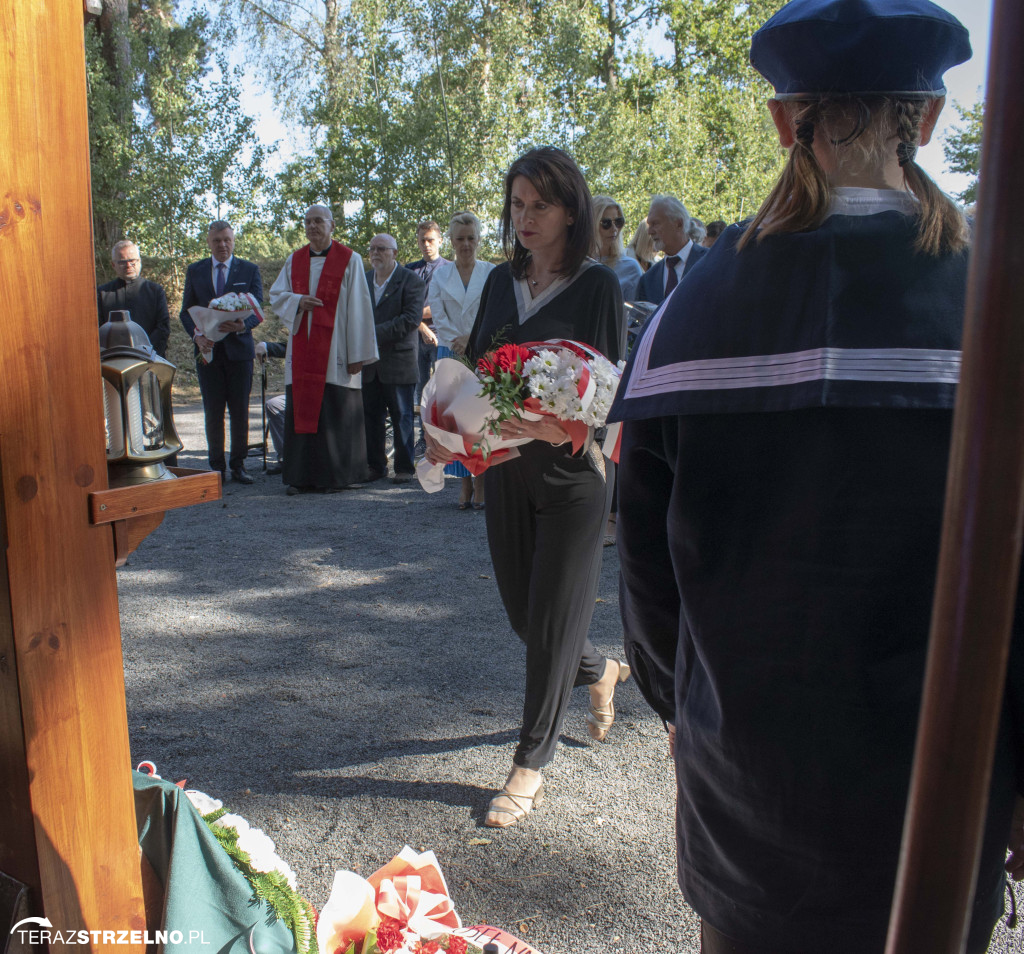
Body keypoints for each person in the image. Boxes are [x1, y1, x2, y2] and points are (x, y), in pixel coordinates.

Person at [610, 2, 1023, 953]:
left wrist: (686, 712)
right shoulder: (993, 309)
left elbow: (645, 567)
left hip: (748, 791)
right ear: (924, 119)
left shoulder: (692, 310)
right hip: (939, 790)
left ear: (781, 119)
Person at [424, 146, 628, 829]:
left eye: (540, 205)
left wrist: (542, 421)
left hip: (573, 484)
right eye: (516, 205)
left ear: (571, 209)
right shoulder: (497, 283)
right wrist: (448, 419)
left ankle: (529, 765)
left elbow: (599, 396)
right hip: (506, 475)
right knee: (524, 618)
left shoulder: (598, 286)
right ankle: (601, 669)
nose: (525, 218)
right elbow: (479, 367)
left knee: (547, 630)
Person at [269, 205, 378, 494]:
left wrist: (359, 354)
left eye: (318, 221)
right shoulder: (295, 260)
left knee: (334, 411)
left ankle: (335, 477)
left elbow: (360, 309)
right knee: (303, 410)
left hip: (338, 351)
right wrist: (297, 302)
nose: (312, 226)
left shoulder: (349, 259)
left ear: (332, 225)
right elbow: (277, 296)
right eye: (308, 221)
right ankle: (300, 477)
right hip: (303, 352)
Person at [179, 221, 264, 483]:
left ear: (233, 240)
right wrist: (197, 336)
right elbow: (186, 311)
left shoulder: (249, 269)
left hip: (239, 352)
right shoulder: (196, 271)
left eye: (227, 240)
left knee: (240, 411)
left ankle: (238, 465)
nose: (222, 245)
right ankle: (216, 467)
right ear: (209, 242)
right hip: (209, 352)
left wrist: (242, 325)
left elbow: (258, 309)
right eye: (217, 241)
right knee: (212, 411)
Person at [425, 211, 495, 509]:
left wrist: (473, 339)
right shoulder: (440, 274)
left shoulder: (491, 273)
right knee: (455, 420)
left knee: (481, 419)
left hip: (482, 351)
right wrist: (458, 341)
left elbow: (493, 311)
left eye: (471, 238)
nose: (466, 244)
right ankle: (463, 483)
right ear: (451, 242)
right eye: (460, 239)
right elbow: (438, 315)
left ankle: (481, 481)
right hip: (451, 350)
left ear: (479, 239)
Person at [362, 234, 425, 484]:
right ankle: (375, 466)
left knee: (402, 417)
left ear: (395, 253)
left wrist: (371, 333)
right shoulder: (364, 280)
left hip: (399, 362)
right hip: (369, 363)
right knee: (371, 417)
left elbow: (411, 319)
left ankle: (404, 468)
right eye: (372, 249)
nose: (375, 253)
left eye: (381, 249)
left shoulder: (411, 281)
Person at [407, 220, 451, 444]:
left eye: (431, 240)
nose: (426, 244)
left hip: (442, 337)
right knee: (421, 391)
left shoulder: (449, 269)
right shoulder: (409, 270)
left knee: (442, 391)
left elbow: (447, 304)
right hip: (415, 338)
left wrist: (418, 315)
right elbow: (401, 306)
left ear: (440, 241)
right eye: (422, 240)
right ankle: (424, 439)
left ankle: (444, 438)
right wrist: (421, 325)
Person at [97, 240, 171, 357]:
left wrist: (145, 351)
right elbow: (99, 329)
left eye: (132, 261)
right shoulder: (103, 293)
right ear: (113, 265)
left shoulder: (155, 290)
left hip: (150, 357)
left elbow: (163, 327)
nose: (128, 266)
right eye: (122, 262)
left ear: (139, 261)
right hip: (113, 358)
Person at [634, 195, 708, 305]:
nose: (649, 231)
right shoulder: (648, 280)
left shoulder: (710, 262)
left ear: (679, 224)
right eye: (649, 225)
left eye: (655, 224)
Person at [592, 195, 643, 301]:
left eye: (618, 222)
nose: (614, 229)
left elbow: (633, 314)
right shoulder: (574, 264)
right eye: (606, 223)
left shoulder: (630, 268)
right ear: (592, 225)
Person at [254, 340, 288, 475]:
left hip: (329, 392)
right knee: (274, 405)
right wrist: (266, 346)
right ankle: (287, 458)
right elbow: (289, 346)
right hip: (301, 393)